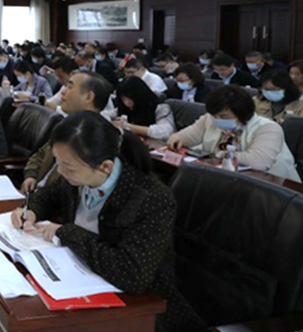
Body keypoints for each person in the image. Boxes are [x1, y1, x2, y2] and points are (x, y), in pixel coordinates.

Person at [12, 112, 204, 332]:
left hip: (140, 308)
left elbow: (132, 274)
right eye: (58, 162)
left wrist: (66, 232)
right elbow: (48, 195)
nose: (61, 172)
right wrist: (31, 210)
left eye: (68, 167)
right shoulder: (77, 175)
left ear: (105, 167)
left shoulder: (151, 199)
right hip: (81, 278)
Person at [167, 86, 301, 182]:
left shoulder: (268, 128)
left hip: (272, 185)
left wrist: (220, 154)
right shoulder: (210, 118)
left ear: (242, 113)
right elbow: (187, 136)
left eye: (223, 116)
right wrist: (177, 138)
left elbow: (259, 162)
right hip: (226, 178)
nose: (216, 119)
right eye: (213, 115)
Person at [22, 71, 115, 194]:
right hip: (37, 194)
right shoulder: (69, 126)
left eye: (70, 87)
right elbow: (41, 154)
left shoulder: (98, 139)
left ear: (88, 97)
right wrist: (31, 175)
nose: (63, 92)